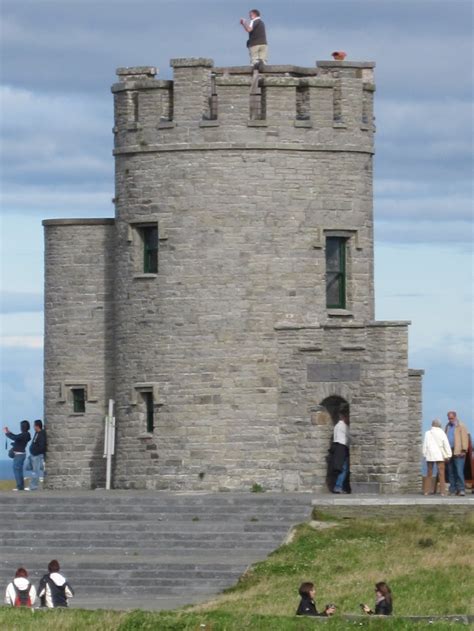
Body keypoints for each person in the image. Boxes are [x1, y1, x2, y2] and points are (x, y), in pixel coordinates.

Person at [422, 419, 452, 496]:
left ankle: (426, 491)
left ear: (432, 425)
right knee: (441, 473)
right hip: (439, 455)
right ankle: (443, 492)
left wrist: (424, 454)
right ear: (439, 425)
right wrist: (449, 454)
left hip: (430, 455)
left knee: (429, 473)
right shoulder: (442, 433)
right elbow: (446, 444)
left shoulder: (427, 433)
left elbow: (425, 444)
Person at [444, 411, 469, 496]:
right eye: (449, 418)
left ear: (455, 417)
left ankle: (461, 489)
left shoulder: (461, 426)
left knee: (459, 471)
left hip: (458, 451)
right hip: (449, 452)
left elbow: (465, 438)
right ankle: (452, 489)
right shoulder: (447, 426)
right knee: (450, 472)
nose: (450, 420)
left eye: (451, 418)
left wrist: (464, 450)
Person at [3, 420, 31, 491]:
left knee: (17, 471)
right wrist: (9, 432)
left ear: (23, 427)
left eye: (21, 426)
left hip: (19, 455)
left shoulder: (24, 434)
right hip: (21, 455)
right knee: (19, 471)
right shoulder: (26, 434)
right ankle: (21, 486)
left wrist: (7, 433)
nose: (20, 427)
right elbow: (17, 437)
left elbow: (15, 437)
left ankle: (19, 487)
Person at [330, 407, 351, 494]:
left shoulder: (337, 426)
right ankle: (338, 486)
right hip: (341, 447)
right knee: (343, 468)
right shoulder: (343, 426)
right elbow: (350, 436)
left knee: (340, 468)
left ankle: (339, 486)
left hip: (337, 447)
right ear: (344, 416)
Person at [26, 419, 47, 491]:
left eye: (34, 425)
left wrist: (36, 453)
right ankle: (42, 467)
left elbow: (42, 447)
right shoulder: (37, 433)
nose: (33, 427)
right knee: (28, 467)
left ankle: (33, 487)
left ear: (37, 426)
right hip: (33, 455)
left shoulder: (41, 434)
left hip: (36, 456)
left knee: (35, 472)